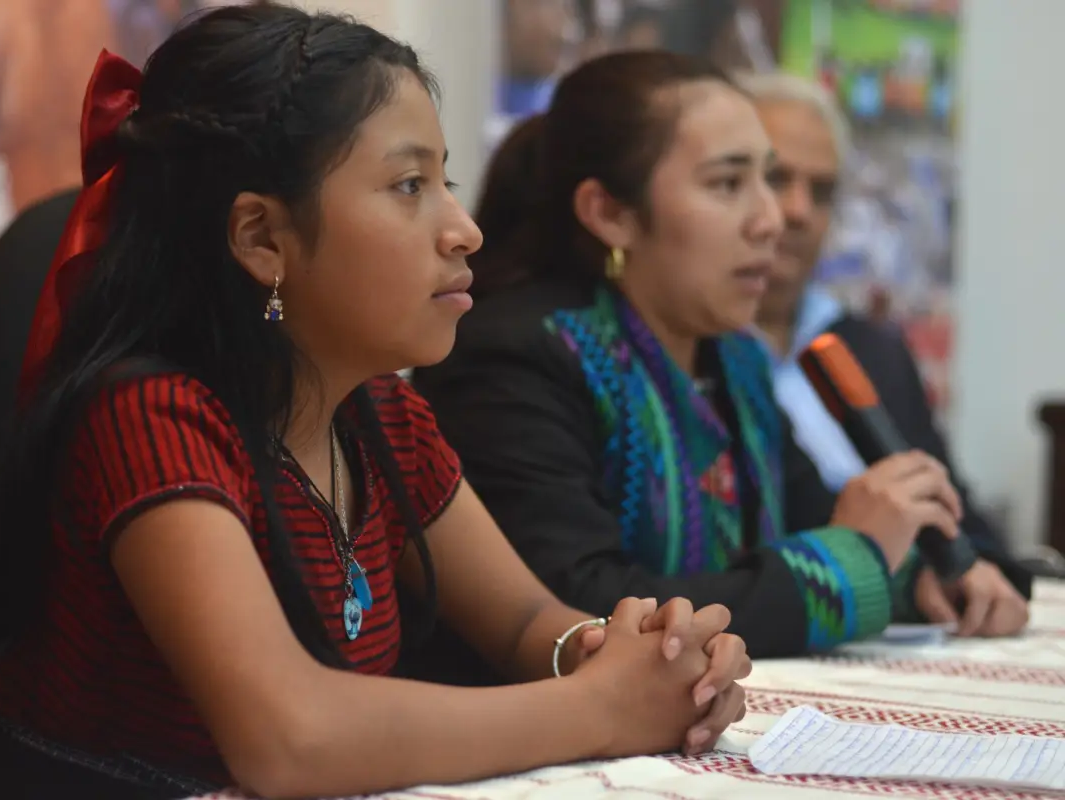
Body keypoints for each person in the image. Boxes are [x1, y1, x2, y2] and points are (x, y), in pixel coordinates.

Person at [0, 5, 751, 799]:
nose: (464, 229)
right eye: (409, 185)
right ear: (262, 238)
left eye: (447, 181)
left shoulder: (386, 420)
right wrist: (598, 709)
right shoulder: (149, 416)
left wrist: (630, 657)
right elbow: (289, 739)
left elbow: (521, 625)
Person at [412, 50, 966, 667]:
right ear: (611, 214)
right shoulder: (515, 357)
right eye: (729, 183)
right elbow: (584, 605)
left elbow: (815, 529)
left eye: (768, 178)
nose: (772, 220)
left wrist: (926, 579)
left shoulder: (734, 361)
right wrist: (857, 558)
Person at [740, 71, 1031, 636]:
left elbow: (955, 515)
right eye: (776, 179)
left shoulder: (871, 347)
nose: (797, 211)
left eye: (821, 191)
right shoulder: (698, 354)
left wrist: (973, 572)